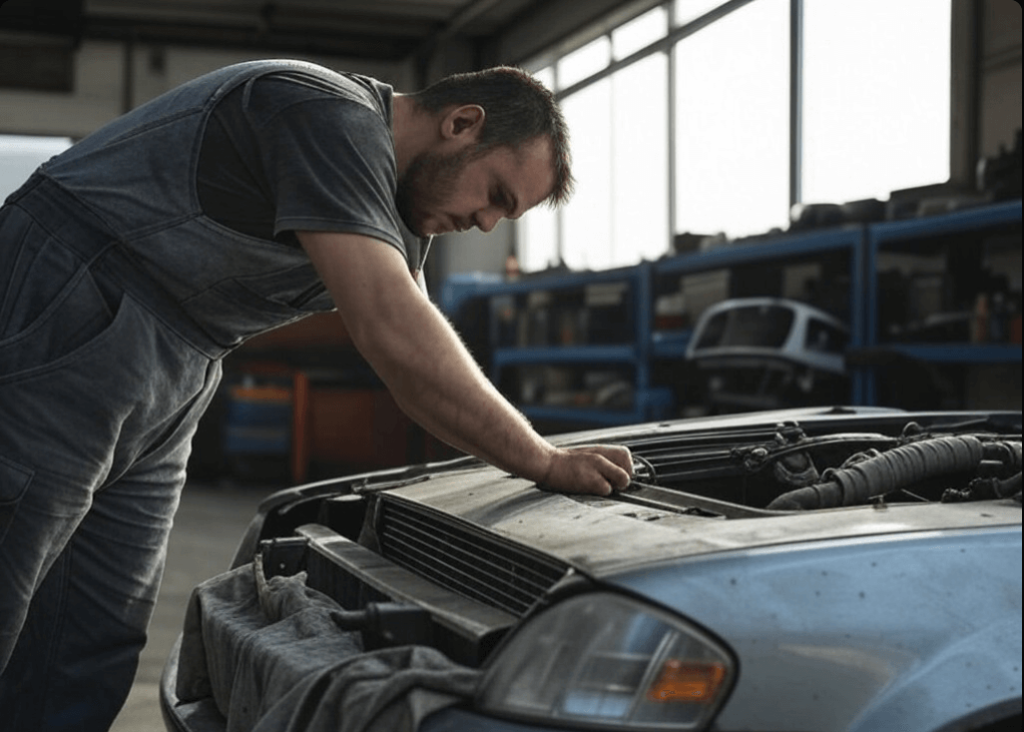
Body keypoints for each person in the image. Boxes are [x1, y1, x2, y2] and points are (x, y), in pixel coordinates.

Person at [0, 59, 633, 730]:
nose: (485, 225)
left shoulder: (398, 217)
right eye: (497, 195)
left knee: (91, 634)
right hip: (73, 305)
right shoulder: (324, 114)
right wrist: (541, 458)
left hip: (179, 363)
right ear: (461, 123)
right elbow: (394, 333)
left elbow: (414, 366)